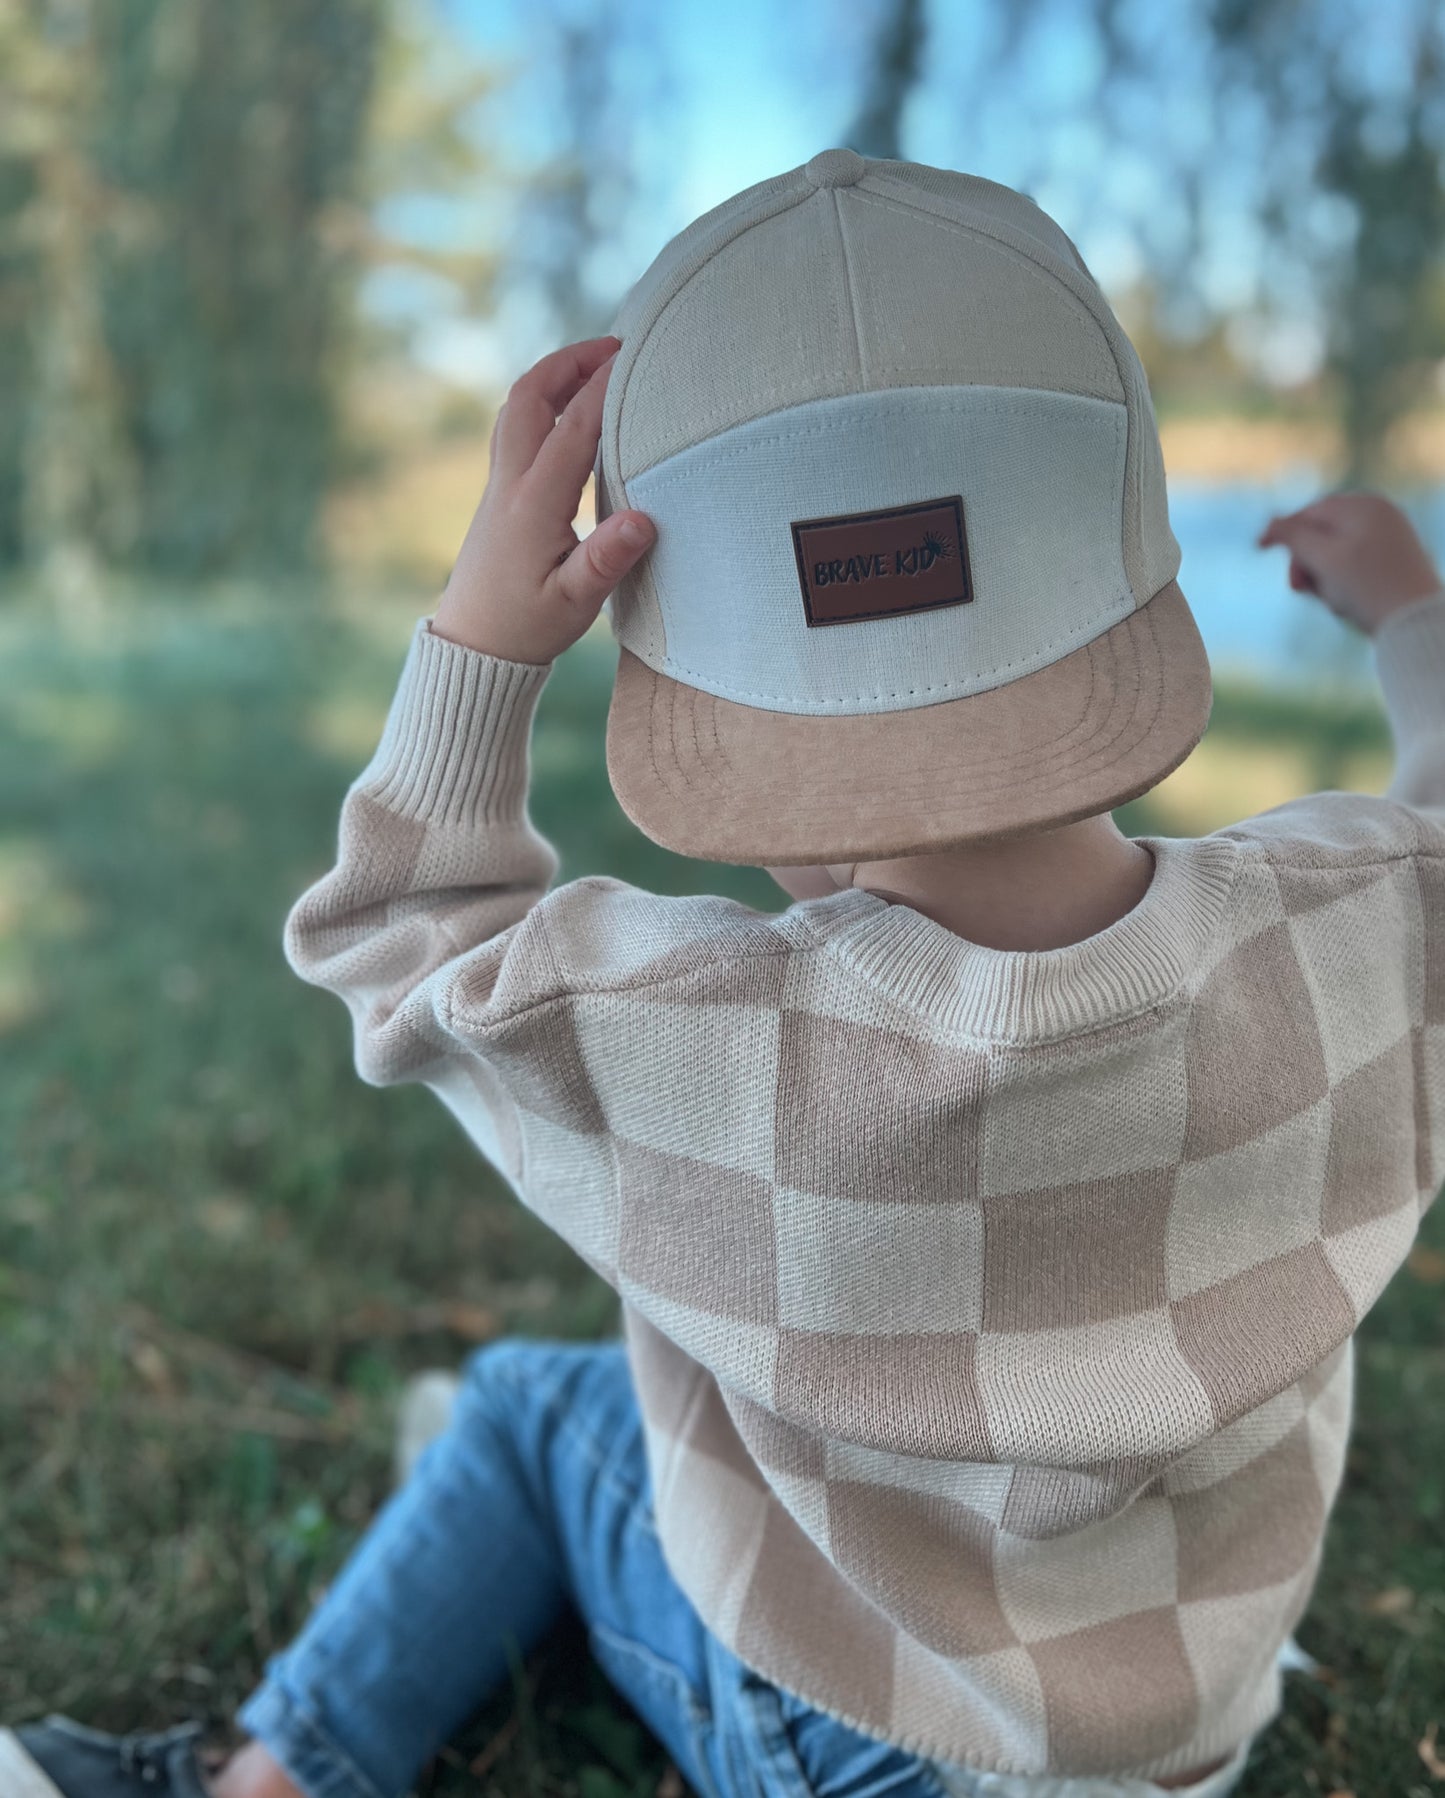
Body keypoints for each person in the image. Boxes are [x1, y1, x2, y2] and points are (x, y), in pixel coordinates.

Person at [6, 151, 1444, 1798]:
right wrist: (1408, 613)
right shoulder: (1361, 923)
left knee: (536, 1419)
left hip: (856, 1741)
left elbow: (395, 939)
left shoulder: (716, 1043)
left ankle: (249, 1782)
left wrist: (481, 635)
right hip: (1183, 1726)